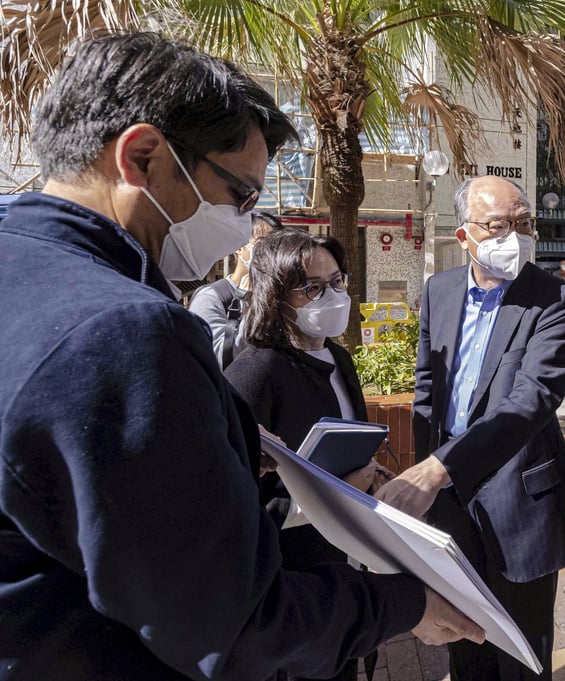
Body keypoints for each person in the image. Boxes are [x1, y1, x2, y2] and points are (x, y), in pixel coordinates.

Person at [0, 32, 481, 681]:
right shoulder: (126, 331)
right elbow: (235, 620)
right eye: (241, 195)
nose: (243, 222)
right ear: (141, 157)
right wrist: (406, 603)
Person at [375, 175, 565, 681]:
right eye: (498, 226)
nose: (515, 236)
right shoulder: (440, 290)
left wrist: (435, 471)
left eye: (523, 223)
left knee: (520, 652)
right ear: (464, 234)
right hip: (449, 501)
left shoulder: (557, 299)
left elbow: (530, 401)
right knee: (464, 639)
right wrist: (426, 472)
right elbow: (427, 387)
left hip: (519, 500)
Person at [225, 229, 394, 681]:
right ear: (276, 296)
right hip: (293, 593)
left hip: (346, 565)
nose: (333, 296)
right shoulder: (254, 373)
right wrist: (329, 497)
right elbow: (234, 505)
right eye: (313, 288)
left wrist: (370, 475)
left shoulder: (339, 358)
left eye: (337, 282)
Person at [188, 210, 284, 368]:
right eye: (262, 243)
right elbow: (217, 360)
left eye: (276, 247)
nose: (270, 253)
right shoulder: (212, 297)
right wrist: (249, 304)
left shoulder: (280, 296)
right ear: (238, 246)